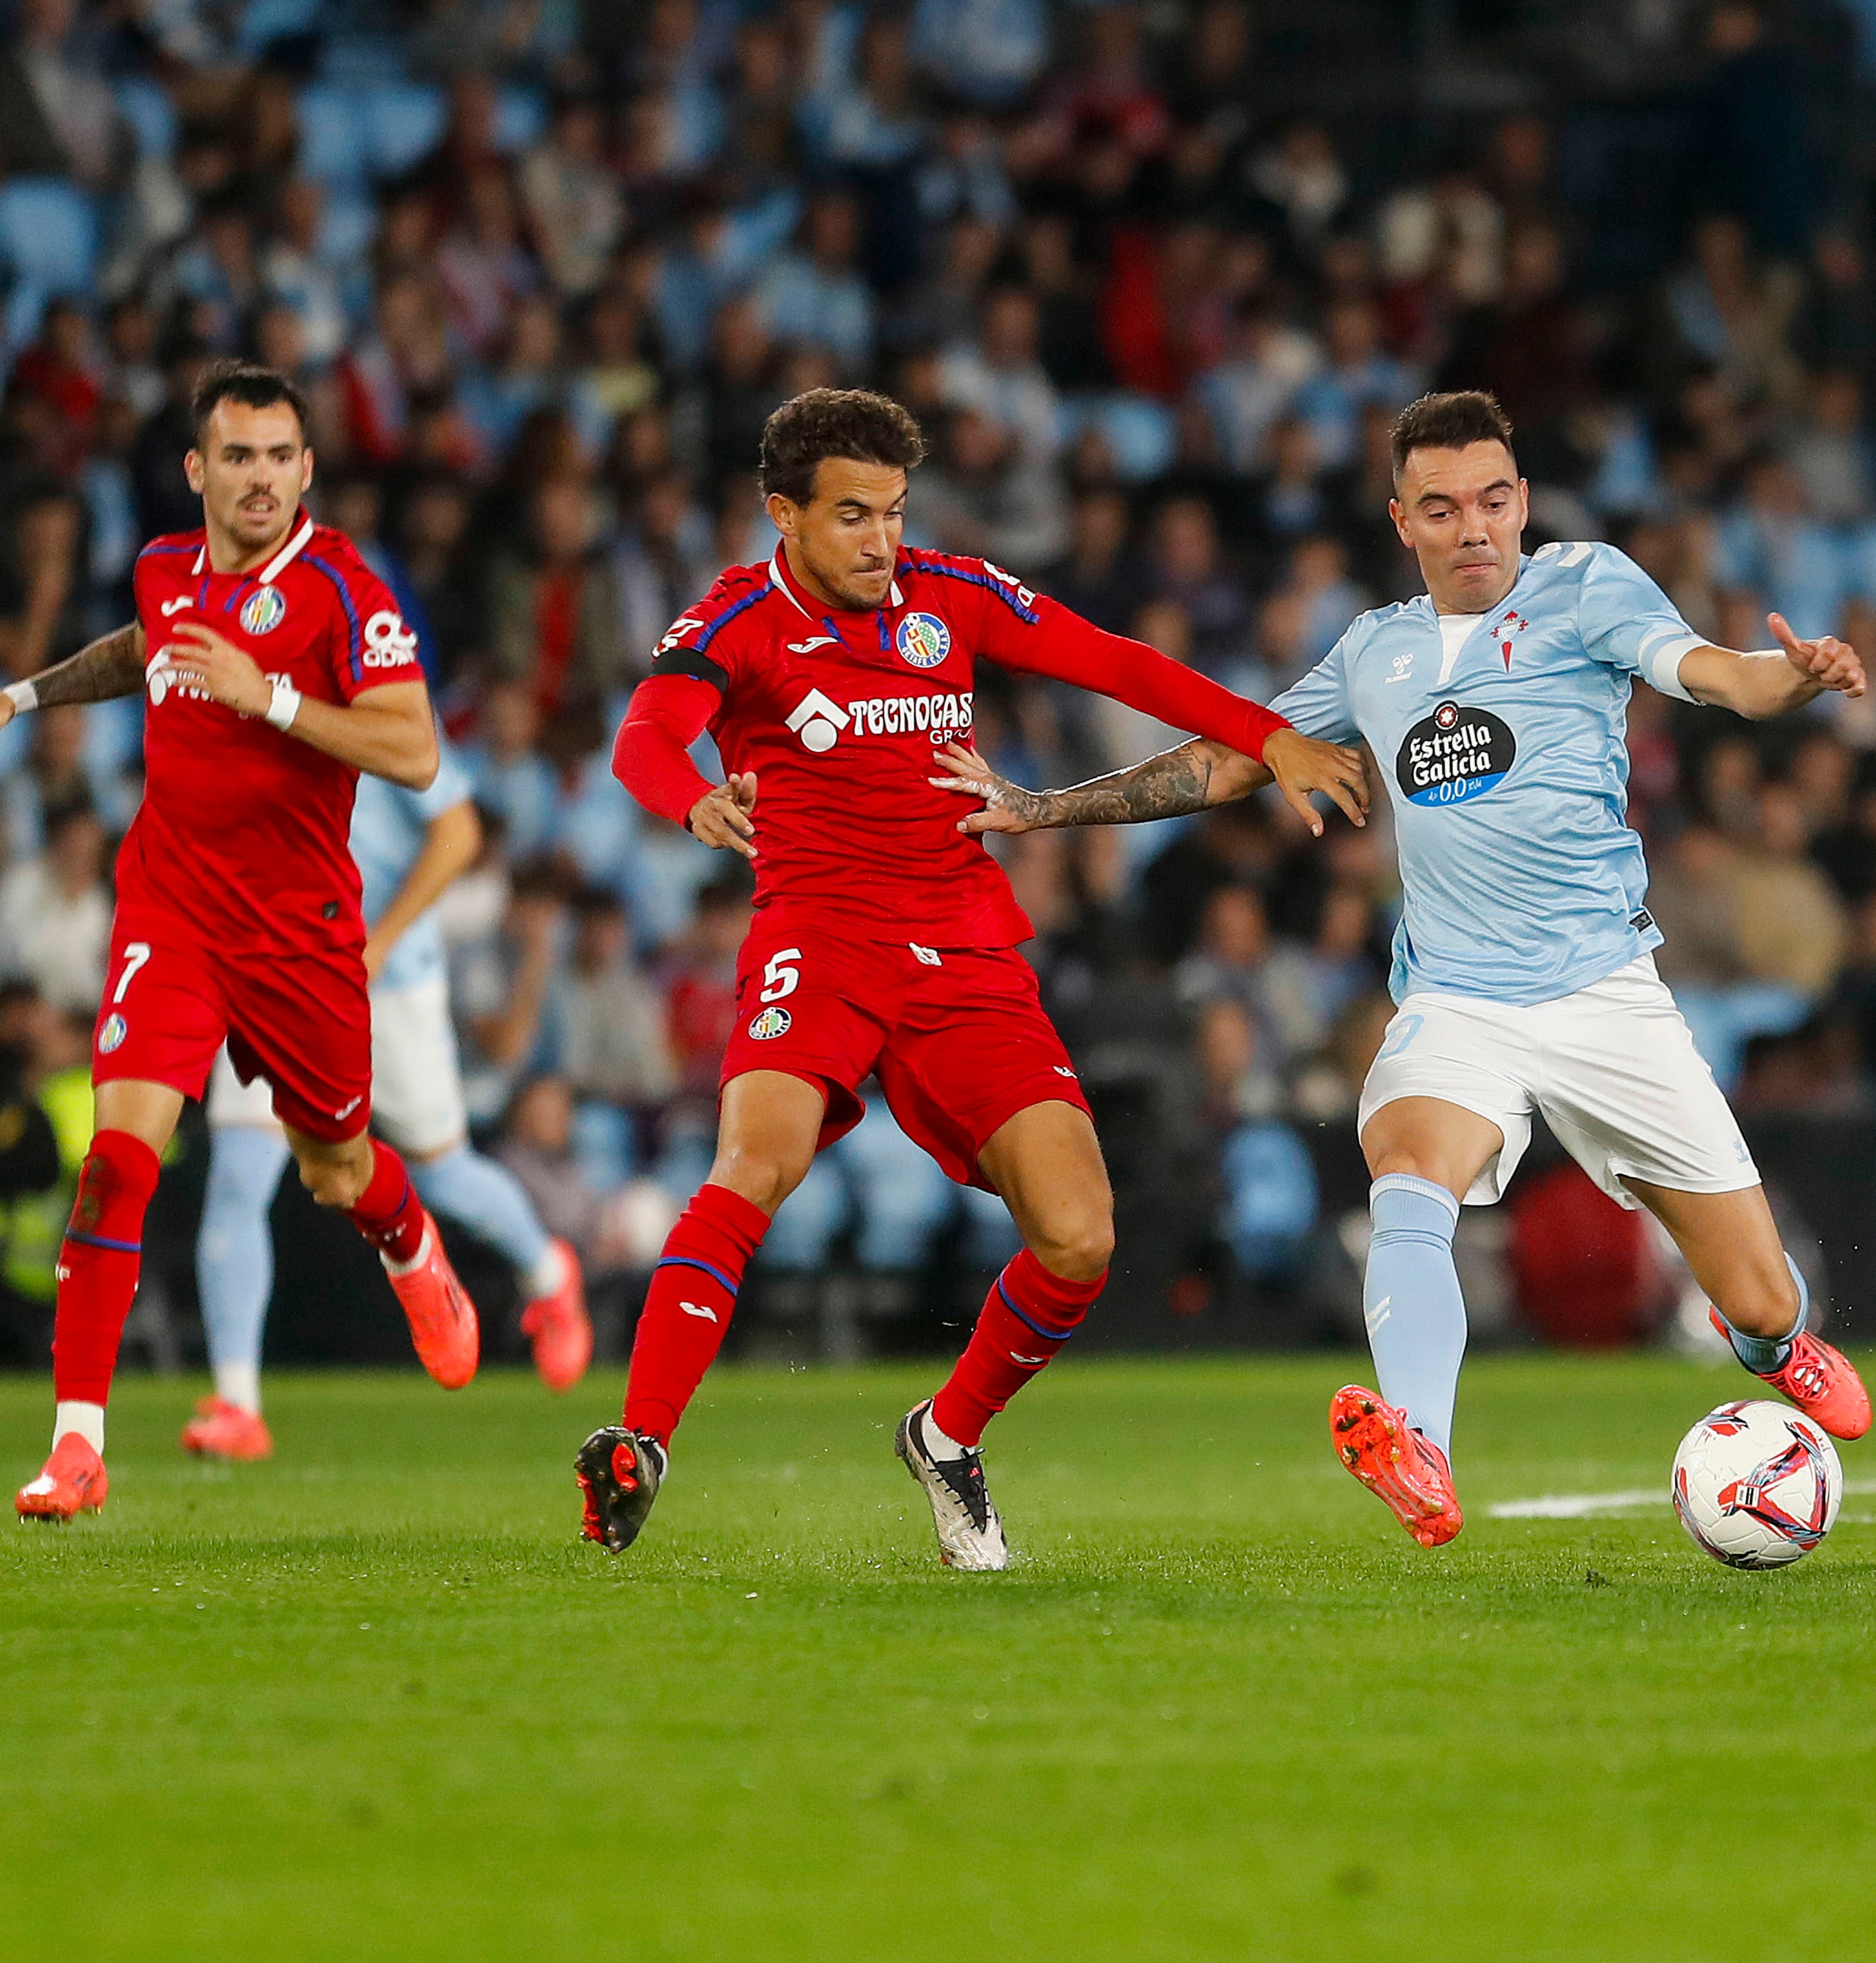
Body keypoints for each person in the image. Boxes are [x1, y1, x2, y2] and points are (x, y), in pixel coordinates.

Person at [933, 390, 1873, 1550]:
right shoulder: (1374, 652)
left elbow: (1713, 672)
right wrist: (1040, 808)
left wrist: (1792, 679)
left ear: (1520, 503)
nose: (1472, 526)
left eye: (1491, 500)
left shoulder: (1583, 586)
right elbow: (1231, 765)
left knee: (1760, 1292)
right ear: (1403, 522)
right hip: (1456, 1000)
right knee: (1409, 1164)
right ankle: (1419, 1442)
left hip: (1605, 995)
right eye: (1442, 508)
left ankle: (1772, 1344)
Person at [575, 388, 1364, 1567]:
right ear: (781, 512)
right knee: (756, 1159)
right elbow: (647, 732)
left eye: (892, 512)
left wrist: (1270, 734)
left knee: (1079, 1235)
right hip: (820, 934)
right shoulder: (735, 615)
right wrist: (686, 795)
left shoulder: (952, 594)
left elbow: (1115, 662)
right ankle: (639, 1441)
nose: (880, 541)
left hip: (962, 947)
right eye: (851, 516)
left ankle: (945, 1434)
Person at [14, 360, 478, 1522]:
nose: (261, 477)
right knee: (117, 1160)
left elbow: (415, 749)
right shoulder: (166, 569)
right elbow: (140, 648)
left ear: (306, 468)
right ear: (198, 470)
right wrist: (23, 697)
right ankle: (77, 1445)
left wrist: (265, 694)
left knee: (334, 1166)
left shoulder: (341, 589)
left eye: (280, 457)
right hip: (170, 908)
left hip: (299, 933)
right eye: (239, 457)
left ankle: (409, 1239)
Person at [184, 742, 592, 1463]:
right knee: (239, 1175)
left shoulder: (372, 674)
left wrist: (380, 940)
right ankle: (238, 1403)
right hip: (272, 966)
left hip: (389, 976)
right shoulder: (240, 681)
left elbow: (457, 833)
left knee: (443, 1173)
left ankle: (550, 1276)